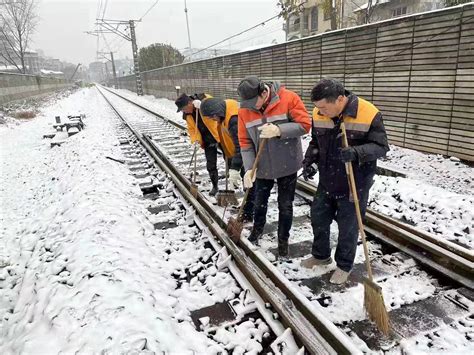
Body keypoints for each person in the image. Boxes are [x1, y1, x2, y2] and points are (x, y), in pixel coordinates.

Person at [301, 78, 389, 284]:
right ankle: (321, 256)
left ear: (340, 99)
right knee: (319, 218)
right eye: (317, 107)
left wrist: (357, 152)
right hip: (327, 178)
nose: (320, 112)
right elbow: (316, 141)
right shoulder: (318, 113)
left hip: (354, 181)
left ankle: (344, 265)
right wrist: (310, 161)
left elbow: (381, 147)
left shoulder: (368, 113)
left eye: (324, 107)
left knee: (348, 226)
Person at [237, 76, 311, 257]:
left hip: (288, 163)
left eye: (254, 102)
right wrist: (249, 168)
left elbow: (305, 124)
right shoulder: (244, 110)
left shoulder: (289, 98)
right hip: (261, 165)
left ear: (264, 92)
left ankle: (283, 239)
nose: (251, 107)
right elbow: (245, 142)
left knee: (285, 205)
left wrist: (280, 130)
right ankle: (257, 230)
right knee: (259, 203)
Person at [200, 97, 255, 221]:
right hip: (239, 153)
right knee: (247, 182)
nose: (213, 120)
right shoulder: (224, 112)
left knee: (249, 183)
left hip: (247, 154)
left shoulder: (233, 118)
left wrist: (234, 167)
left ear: (216, 112)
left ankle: (249, 212)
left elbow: (240, 145)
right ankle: (248, 209)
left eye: (212, 117)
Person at [175, 93, 220, 196]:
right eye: (182, 110)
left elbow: (219, 106)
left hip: (220, 134)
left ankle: (234, 181)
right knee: (210, 164)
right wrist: (195, 140)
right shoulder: (188, 115)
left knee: (231, 160)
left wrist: (204, 105)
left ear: (190, 103)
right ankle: (215, 186)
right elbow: (192, 129)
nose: (184, 111)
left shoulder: (203, 99)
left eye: (184, 108)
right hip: (207, 139)